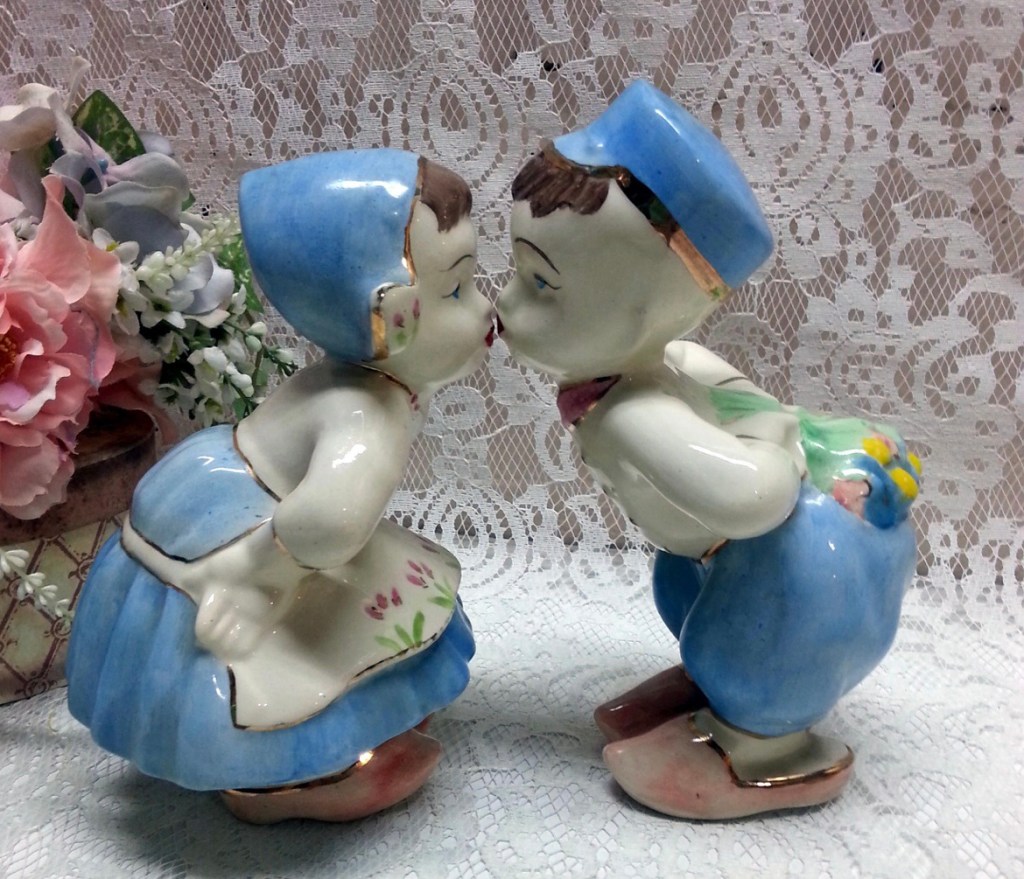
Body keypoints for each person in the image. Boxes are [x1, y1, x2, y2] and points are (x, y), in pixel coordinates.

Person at [497, 82, 920, 819]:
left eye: (541, 284)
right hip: (732, 559)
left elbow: (759, 494)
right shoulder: (671, 366)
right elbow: (750, 410)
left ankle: (764, 737)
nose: (505, 303)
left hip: (808, 574)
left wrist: (757, 449)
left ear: (646, 310)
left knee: (733, 635)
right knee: (681, 584)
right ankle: (716, 688)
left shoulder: (638, 412)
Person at [67, 149, 495, 823]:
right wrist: (256, 578)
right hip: (258, 540)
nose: (486, 311)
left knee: (379, 597)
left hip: (225, 491)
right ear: (390, 314)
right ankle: (294, 774)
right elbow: (328, 523)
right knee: (304, 644)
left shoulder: (354, 381)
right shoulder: (370, 412)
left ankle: (365, 716)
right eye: (458, 289)